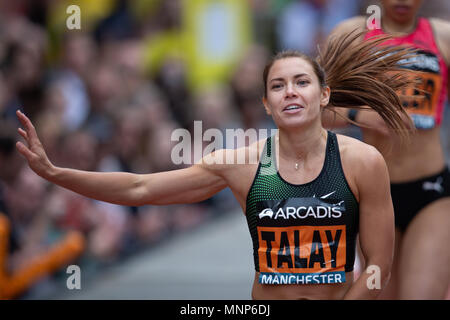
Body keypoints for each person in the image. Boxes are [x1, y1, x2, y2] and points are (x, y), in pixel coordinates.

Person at [15, 32, 414, 300]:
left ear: (324, 95)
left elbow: (378, 267)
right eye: (277, 86)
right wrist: (55, 174)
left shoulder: (362, 162)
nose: (290, 91)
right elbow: (140, 188)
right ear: (265, 104)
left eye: (301, 82)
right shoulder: (240, 163)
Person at [323, 0, 450, 299]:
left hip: (431, 193)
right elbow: (314, 109)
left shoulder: (443, 36)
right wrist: (357, 114)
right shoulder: (350, 35)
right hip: (374, 196)